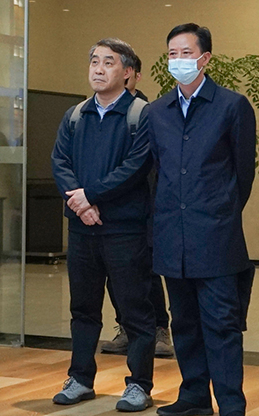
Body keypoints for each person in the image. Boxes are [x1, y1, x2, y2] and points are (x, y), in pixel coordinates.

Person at [149, 24, 256, 416]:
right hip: (171, 236)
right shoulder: (157, 111)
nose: (178, 60)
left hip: (216, 236)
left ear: (205, 58)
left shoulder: (231, 106)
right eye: (172, 53)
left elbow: (242, 175)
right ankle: (194, 396)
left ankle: (231, 404)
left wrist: (219, 212)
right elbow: (156, 171)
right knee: (184, 322)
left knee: (222, 325)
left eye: (186, 53)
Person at [50, 39, 156, 412]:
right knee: (83, 309)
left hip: (125, 230)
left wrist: (90, 196)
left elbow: (136, 166)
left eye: (108, 62)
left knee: (134, 311)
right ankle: (80, 379)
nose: (98, 68)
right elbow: (59, 161)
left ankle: (139, 385)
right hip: (82, 229)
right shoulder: (75, 115)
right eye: (94, 61)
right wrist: (80, 204)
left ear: (127, 72)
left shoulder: (142, 114)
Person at [101, 54, 174, 359]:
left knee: (145, 272)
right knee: (112, 273)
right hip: (108, 208)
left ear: (133, 75)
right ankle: (125, 327)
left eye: (113, 66)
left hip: (142, 205)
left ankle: (159, 329)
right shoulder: (98, 112)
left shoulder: (148, 112)